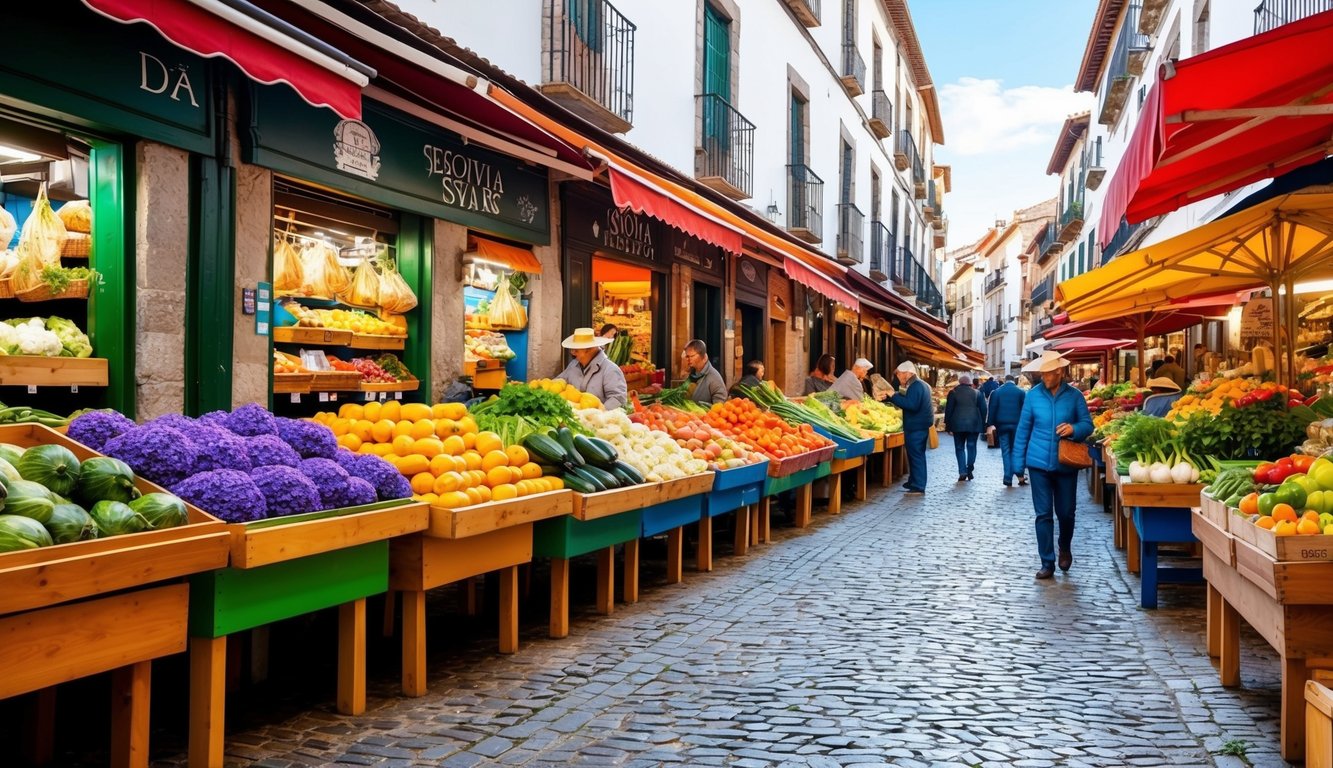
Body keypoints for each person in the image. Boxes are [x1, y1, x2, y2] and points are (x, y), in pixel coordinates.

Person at [1013, 351, 1094, 580]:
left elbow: (1088, 425)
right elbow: (1023, 429)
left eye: (1048, 373)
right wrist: (1017, 464)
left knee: (1067, 513)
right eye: (1042, 372)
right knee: (1043, 514)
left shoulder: (1075, 396)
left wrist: (1074, 429)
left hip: (1066, 463)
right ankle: (1047, 562)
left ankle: (1064, 546)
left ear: (1059, 371)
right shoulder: (1033, 396)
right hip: (1038, 464)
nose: (1044, 376)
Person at [889, 360, 934, 495]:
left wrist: (893, 396)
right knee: (915, 455)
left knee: (916, 456)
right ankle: (913, 481)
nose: (898, 378)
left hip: (916, 427)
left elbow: (911, 405)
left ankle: (918, 485)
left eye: (899, 375)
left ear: (907, 374)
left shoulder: (916, 386)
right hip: (919, 426)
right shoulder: (921, 385)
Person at [555, 327, 627, 410]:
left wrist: (599, 413)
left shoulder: (610, 370)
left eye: (576, 350)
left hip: (599, 421)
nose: (573, 353)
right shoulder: (573, 365)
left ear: (589, 349)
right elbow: (560, 380)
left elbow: (618, 399)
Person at [986, 375, 1027, 487]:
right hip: (1017, 426)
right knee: (1017, 450)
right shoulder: (1021, 392)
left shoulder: (996, 392)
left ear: (1004, 381)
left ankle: (1007, 477)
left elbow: (992, 409)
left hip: (1002, 426)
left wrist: (989, 424)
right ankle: (1020, 475)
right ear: (1014, 381)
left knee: (1005, 451)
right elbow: (1025, 411)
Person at [944, 374, 986, 482]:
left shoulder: (953, 393)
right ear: (970, 384)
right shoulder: (977, 393)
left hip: (957, 425)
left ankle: (962, 471)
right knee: (972, 446)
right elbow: (983, 410)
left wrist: (947, 426)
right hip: (974, 424)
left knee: (959, 448)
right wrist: (983, 424)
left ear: (959, 383)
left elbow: (948, 410)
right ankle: (970, 468)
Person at [682, 339, 727, 405]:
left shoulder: (714, 378)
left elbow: (720, 405)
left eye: (691, 356)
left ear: (704, 357)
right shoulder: (692, 374)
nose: (688, 359)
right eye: (687, 356)